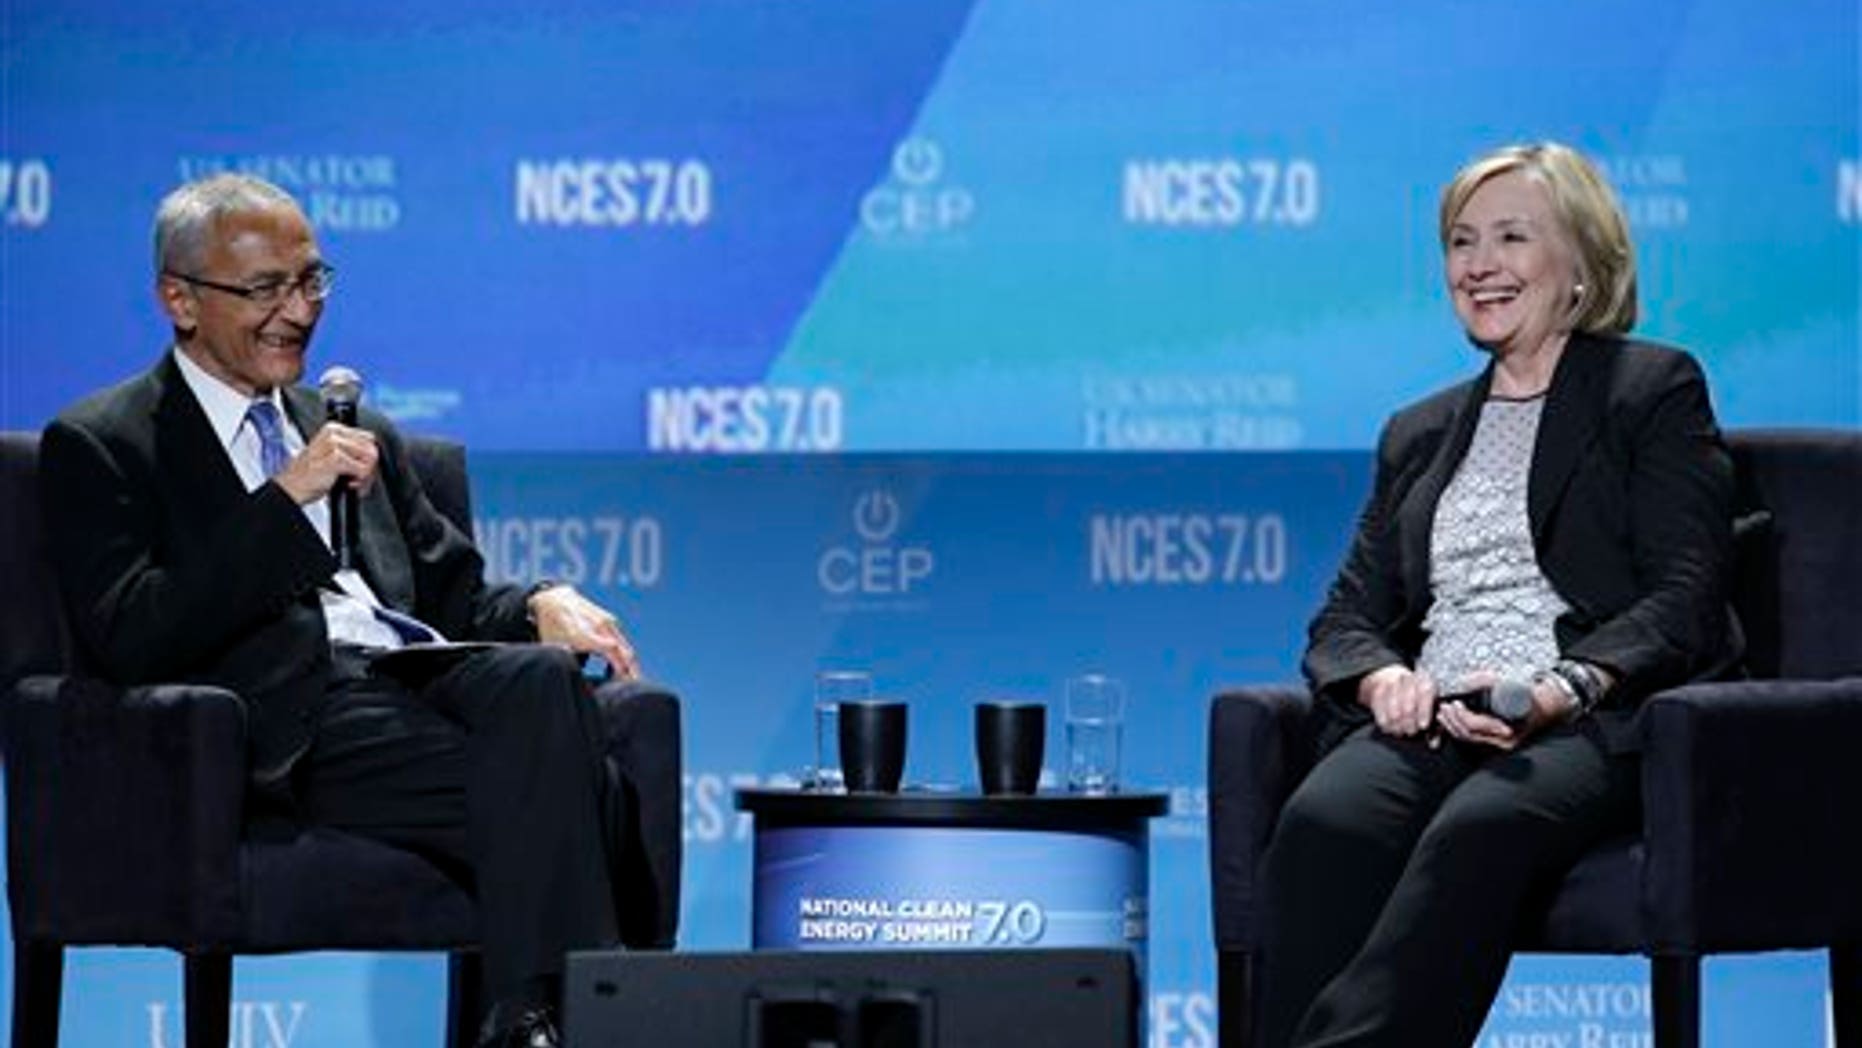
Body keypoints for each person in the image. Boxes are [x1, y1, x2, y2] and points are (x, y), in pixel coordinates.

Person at [39, 173, 654, 1048]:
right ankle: (582, 1018)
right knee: (593, 790)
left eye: (311, 281)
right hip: (287, 714)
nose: (297, 310)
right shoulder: (105, 443)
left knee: (541, 680)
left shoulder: (349, 424)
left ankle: (531, 1020)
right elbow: (134, 633)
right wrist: (285, 506)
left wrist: (542, 602)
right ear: (180, 299)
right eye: (264, 289)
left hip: (413, 676)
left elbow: (455, 593)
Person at [1254, 142, 1742, 1047]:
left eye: (1511, 238)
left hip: (1585, 719)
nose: (1479, 266)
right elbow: (1349, 617)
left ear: (1583, 267)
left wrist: (1560, 686)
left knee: (1482, 825)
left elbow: (1686, 594)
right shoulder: (1420, 430)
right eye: (1461, 242)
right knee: (1326, 820)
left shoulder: (1651, 389)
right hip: (1435, 713)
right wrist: (1381, 681)